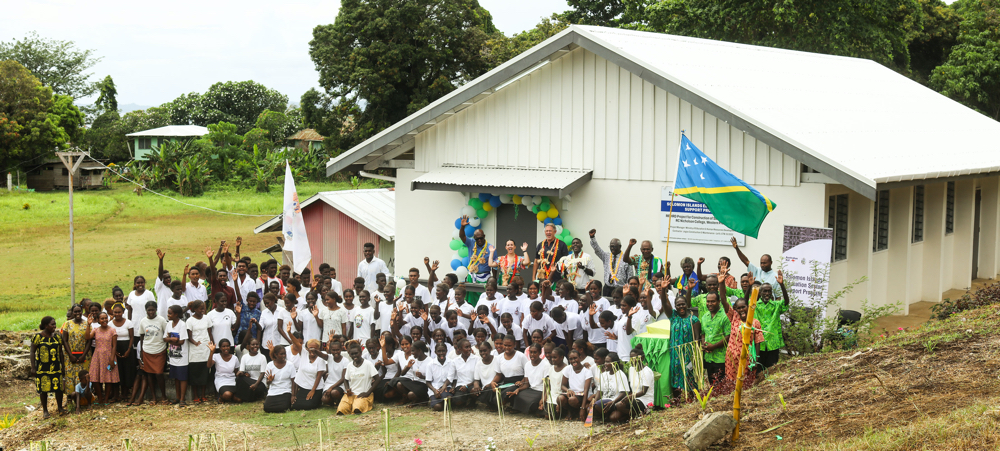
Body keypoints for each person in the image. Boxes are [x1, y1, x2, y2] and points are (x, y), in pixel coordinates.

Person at [722, 277, 764, 385]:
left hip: (748, 359)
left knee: (746, 384)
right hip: (732, 358)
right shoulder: (734, 318)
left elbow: (758, 342)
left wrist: (756, 360)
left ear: (748, 307)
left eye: (743, 307)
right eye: (739, 308)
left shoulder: (755, 322)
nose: (741, 310)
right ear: (736, 309)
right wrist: (721, 282)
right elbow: (723, 300)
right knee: (731, 384)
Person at [689, 289, 729, 384]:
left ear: (719, 302)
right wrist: (704, 344)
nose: (710, 304)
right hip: (708, 357)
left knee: (721, 386)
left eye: (713, 301)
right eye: (708, 301)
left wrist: (713, 346)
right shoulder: (704, 317)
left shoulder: (725, 316)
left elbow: (729, 336)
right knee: (711, 385)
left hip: (721, 358)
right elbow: (703, 333)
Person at [132, 301, 168, 406]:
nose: (151, 312)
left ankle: (164, 396)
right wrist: (142, 351)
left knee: (158, 373)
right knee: (149, 375)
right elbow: (142, 336)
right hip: (147, 350)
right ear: (146, 310)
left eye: (153, 310)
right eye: (149, 310)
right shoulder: (143, 321)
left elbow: (166, 334)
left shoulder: (161, 320)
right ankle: (153, 397)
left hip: (160, 350)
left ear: (156, 309)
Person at [31, 316, 66, 418]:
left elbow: (60, 353)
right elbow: (32, 352)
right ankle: (45, 411)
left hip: (55, 367)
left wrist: (63, 366)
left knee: (58, 388)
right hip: (42, 367)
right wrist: (33, 367)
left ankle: (60, 407)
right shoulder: (38, 337)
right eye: (52, 324)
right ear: (46, 325)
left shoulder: (57, 337)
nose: (54, 326)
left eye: (55, 324)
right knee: (43, 389)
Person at [755, 271, 790, 372]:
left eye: (769, 291)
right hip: (759, 344)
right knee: (758, 370)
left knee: (771, 370)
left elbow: (786, 302)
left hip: (773, 343)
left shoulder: (776, 305)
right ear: (760, 292)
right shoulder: (755, 305)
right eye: (764, 291)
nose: (767, 293)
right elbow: (745, 304)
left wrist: (782, 285)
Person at [338, 341, 381, 414]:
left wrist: (368, 392)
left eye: (356, 353)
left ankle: (359, 403)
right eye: (352, 354)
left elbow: (377, 379)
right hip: (351, 394)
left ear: (361, 353)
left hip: (364, 394)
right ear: (349, 354)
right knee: (341, 410)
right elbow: (345, 379)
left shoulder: (368, 364)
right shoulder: (349, 365)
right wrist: (347, 389)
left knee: (357, 409)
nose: (354, 356)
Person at [589, 229, 634, 297]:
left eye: (614, 246)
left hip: (620, 289)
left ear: (620, 247)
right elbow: (597, 250)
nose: (612, 248)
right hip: (607, 288)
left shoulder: (626, 258)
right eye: (611, 246)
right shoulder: (606, 256)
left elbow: (630, 276)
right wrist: (592, 238)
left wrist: (628, 290)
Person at [61, 304, 91, 397]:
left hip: (84, 355)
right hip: (70, 355)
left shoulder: (87, 323)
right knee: (70, 376)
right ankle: (71, 397)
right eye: (75, 311)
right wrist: (70, 355)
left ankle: (85, 398)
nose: (77, 313)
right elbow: (64, 340)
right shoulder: (67, 324)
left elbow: (89, 340)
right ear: (72, 312)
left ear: (82, 312)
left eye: (79, 311)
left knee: (84, 376)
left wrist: (83, 355)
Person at [186, 300, 212, 404]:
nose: (203, 310)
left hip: (205, 349)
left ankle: (203, 395)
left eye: (204, 308)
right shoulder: (190, 321)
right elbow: (189, 336)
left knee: (204, 373)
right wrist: (195, 342)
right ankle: (196, 395)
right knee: (195, 374)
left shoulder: (207, 318)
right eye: (201, 308)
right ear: (194, 309)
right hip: (195, 351)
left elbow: (210, 332)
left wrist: (211, 345)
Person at [108, 303, 135, 402]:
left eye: (119, 312)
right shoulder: (110, 324)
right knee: (116, 371)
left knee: (127, 370)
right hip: (115, 349)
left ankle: (125, 393)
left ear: (123, 312)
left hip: (127, 348)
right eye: (115, 312)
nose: (117, 314)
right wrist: (114, 352)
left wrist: (129, 349)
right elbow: (109, 339)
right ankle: (116, 394)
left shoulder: (128, 322)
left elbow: (132, 337)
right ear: (112, 312)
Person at [289, 339, 326, 410]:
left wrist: (313, 390)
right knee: (295, 406)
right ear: (307, 348)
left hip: (316, 388)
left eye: (315, 348)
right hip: (304, 386)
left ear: (318, 349)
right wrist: (289, 332)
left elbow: (319, 376)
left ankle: (318, 400)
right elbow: (296, 343)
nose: (312, 350)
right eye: (310, 348)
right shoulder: (304, 353)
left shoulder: (320, 359)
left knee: (308, 406)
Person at [458, 216, 497, 283]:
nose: (479, 240)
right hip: (472, 275)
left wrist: (494, 278)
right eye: (477, 239)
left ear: (484, 236)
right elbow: (462, 236)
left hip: (485, 277)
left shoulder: (491, 248)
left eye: (481, 238)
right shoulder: (471, 242)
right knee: (470, 293)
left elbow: (495, 265)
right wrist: (462, 227)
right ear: (474, 238)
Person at [591, 352, 627, 423]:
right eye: (605, 362)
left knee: (614, 418)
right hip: (605, 401)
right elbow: (599, 390)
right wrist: (594, 401)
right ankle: (606, 415)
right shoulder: (604, 374)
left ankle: (619, 414)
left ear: (614, 363)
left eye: (608, 362)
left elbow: (623, 393)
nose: (605, 364)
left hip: (615, 401)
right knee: (592, 407)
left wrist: (613, 402)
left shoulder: (621, 375)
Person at [163, 305, 189, 406]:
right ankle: (177, 397)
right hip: (173, 356)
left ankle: (182, 398)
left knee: (182, 378)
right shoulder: (169, 324)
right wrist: (172, 339)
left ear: (176, 314)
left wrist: (171, 339)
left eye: (170, 313)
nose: (168, 315)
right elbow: (165, 338)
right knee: (176, 378)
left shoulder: (182, 325)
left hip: (182, 356)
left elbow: (181, 341)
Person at [560, 349, 593, 422]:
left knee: (572, 400)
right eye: (571, 359)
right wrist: (568, 390)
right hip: (572, 393)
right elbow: (562, 385)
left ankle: (578, 411)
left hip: (583, 395)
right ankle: (570, 411)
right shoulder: (568, 368)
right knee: (560, 398)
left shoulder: (587, 371)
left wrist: (583, 408)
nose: (573, 361)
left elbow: (586, 390)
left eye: (575, 358)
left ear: (580, 357)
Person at [263, 345, 297, 412]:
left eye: (284, 353)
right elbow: (267, 383)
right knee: (267, 408)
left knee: (284, 407)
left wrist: (293, 395)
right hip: (273, 391)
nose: (284, 355)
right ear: (275, 355)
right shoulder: (270, 365)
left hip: (286, 391)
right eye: (281, 354)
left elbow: (294, 382)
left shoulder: (290, 365)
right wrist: (269, 380)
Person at [425, 343, 456, 411]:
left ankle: (443, 402)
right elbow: (428, 382)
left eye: (443, 351)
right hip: (435, 388)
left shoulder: (451, 362)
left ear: (446, 351)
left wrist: (448, 386)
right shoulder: (430, 364)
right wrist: (434, 391)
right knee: (437, 407)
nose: (441, 353)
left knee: (449, 398)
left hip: (447, 387)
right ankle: (439, 402)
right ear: (435, 352)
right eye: (439, 351)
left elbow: (452, 378)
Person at [236, 338, 268, 402]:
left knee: (254, 389)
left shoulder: (262, 357)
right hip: (249, 382)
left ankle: (250, 397)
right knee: (239, 378)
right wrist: (240, 373)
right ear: (248, 346)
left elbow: (262, 373)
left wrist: (256, 384)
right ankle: (242, 397)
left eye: (257, 344)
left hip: (259, 383)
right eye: (253, 344)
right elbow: (242, 371)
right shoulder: (244, 357)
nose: (255, 346)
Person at [472, 341, 502, 409]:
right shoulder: (478, 364)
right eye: (481, 351)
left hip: (495, 384)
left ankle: (492, 404)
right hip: (484, 388)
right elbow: (476, 379)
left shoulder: (497, 359)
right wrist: (476, 386)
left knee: (491, 389)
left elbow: (500, 375)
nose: (483, 353)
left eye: (485, 350)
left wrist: (490, 384)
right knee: (474, 391)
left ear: (490, 349)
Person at [542, 347, 567, 419]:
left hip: (560, 396)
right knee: (545, 415)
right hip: (551, 397)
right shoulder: (551, 369)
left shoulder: (567, 369)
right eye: (552, 357)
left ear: (562, 357)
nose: (552, 359)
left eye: (555, 357)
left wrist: (559, 403)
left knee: (551, 416)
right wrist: (545, 397)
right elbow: (549, 385)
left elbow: (566, 386)